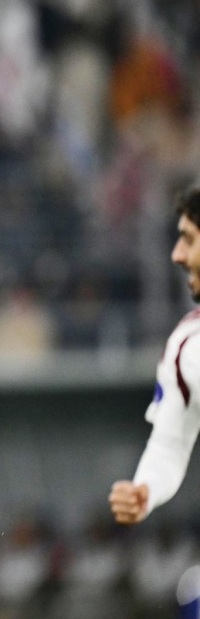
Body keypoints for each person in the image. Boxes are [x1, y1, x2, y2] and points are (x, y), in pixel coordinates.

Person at [111, 184, 200, 525]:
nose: (177, 254)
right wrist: (145, 489)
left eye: (189, 239)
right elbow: (170, 443)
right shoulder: (187, 348)